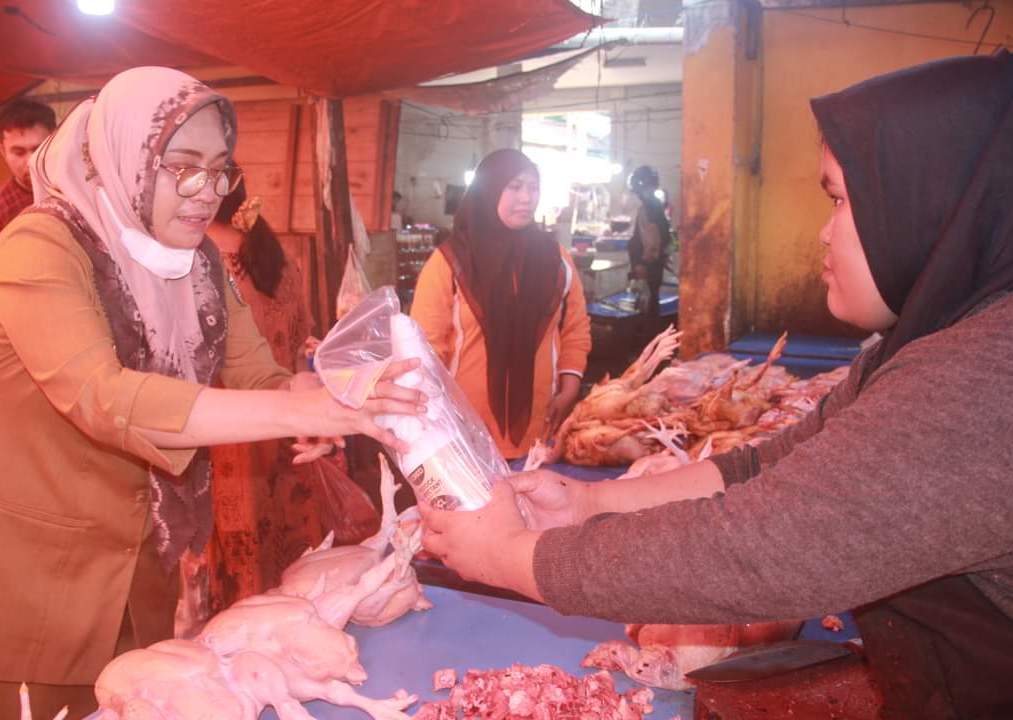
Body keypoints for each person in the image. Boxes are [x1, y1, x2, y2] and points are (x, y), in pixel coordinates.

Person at [421, 51, 1013, 719]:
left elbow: (766, 546)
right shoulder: (934, 345)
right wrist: (591, 508)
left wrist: (510, 556)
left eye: (840, 199)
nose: (823, 231)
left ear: (927, 201)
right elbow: (770, 463)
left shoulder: (983, 381)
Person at [0, 66, 425, 720]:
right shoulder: (39, 248)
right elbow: (104, 398)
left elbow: (260, 375)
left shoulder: (194, 265)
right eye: (182, 166)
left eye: (219, 169)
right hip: (20, 585)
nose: (207, 192)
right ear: (119, 157)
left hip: (137, 574)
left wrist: (342, 392)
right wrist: (297, 407)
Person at [410, 149, 591, 460]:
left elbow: (575, 327)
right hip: (464, 431)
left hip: (539, 429)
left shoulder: (556, 259)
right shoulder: (449, 262)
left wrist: (570, 385)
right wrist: (430, 416)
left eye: (533, 187)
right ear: (488, 189)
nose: (526, 197)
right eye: (514, 186)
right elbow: (424, 346)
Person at [201, 181, 326, 615]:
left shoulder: (202, 263)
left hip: (226, 435)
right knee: (291, 555)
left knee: (242, 558)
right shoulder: (278, 259)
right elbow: (298, 345)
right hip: (287, 419)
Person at [0, 98, 57, 308]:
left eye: (39, 148)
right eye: (18, 152)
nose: (30, 161)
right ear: (2, 151)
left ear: (55, 141)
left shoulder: (79, 187)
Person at [626, 165, 671, 318]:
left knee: (647, 305)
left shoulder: (649, 207)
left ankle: (648, 338)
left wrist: (643, 264)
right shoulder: (656, 205)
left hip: (648, 266)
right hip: (654, 265)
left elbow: (652, 239)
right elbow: (665, 237)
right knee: (650, 301)